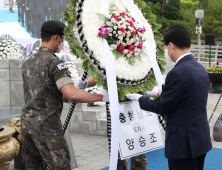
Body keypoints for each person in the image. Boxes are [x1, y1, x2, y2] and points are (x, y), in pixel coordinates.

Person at [21, 20, 109, 169]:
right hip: (47, 128)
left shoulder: (28, 62)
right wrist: (103, 97)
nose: (62, 42)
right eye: (62, 38)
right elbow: (71, 93)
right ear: (56, 37)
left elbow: (43, 92)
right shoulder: (55, 63)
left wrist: (65, 97)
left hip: (27, 126)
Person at [126, 24, 212, 170]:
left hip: (183, 144)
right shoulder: (200, 68)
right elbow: (187, 97)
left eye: (165, 47)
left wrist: (140, 99)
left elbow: (161, 106)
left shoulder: (177, 73)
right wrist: (162, 93)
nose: (166, 51)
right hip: (200, 139)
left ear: (171, 45)